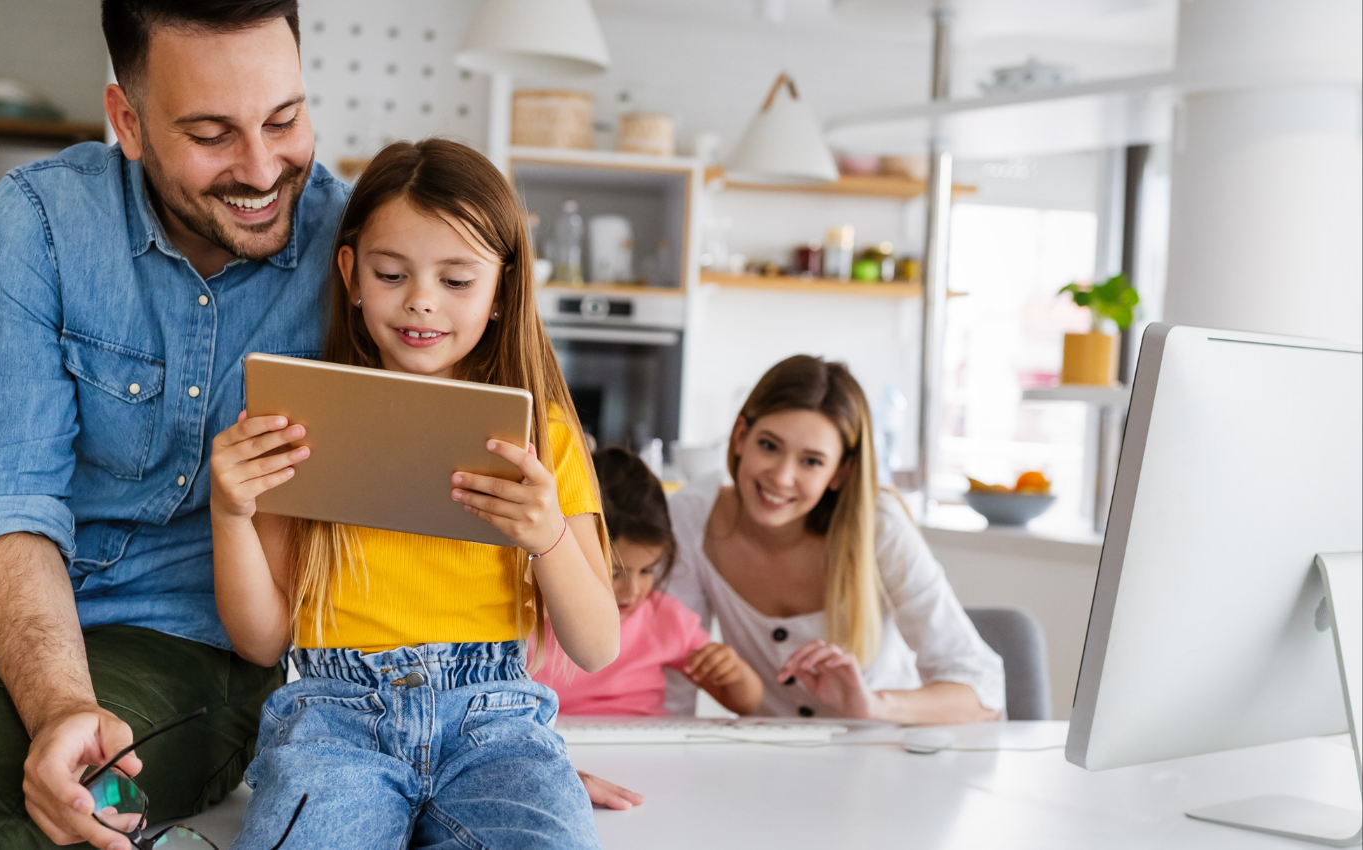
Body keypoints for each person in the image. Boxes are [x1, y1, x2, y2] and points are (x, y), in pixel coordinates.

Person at [0, 3, 346, 848]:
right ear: (128, 121)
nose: (262, 167)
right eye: (211, 133)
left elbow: (462, 476)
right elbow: (8, 500)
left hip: (185, 645)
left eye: (285, 118)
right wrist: (61, 702)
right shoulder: (36, 222)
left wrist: (484, 746)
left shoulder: (364, 250)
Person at [208, 138, 617, 848]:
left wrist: (546, 535)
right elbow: (262, 638)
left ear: (501, 290)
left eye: (457, 281)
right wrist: (230, 511)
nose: (421, 302)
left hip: (496, 722)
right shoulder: (305, 418)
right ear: (352, 273)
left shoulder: (541, 437)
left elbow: (596, 644)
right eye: (392, 273)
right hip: (335, 722)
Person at [663, 356, 1006, 722]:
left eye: (811, 461)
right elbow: (669, 672)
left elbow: (982, 689)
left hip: (879, 754)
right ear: (741, 437)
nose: (781, 477)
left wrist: (874, 705)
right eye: (768, 446)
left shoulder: (878, 524)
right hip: (764, 762)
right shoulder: (692, 514)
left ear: (841, 471)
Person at [534, 447, 762, 717]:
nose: (633, 591)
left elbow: (745, 704)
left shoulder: (663, 619)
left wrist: (735, 674)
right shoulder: (530, 620)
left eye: (647, 570)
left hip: (645, 750)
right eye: (616, 573)